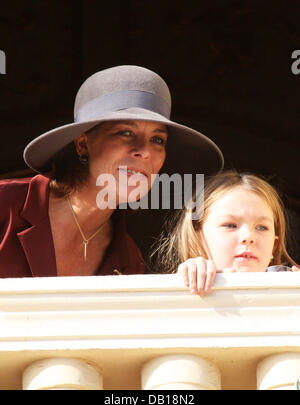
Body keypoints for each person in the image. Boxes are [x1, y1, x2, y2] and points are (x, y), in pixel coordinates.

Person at [0, 65, 223, 278]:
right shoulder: (5, 203)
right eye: (125, 132)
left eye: (157, 139)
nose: (144, 151)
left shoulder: (128, 259)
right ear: (83, 145)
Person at [154, 170, 300, 295]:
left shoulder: (289, 292)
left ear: (273, 246)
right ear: (195, 240)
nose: (248, 237)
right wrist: (189, 277)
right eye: (230, 225)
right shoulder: (182, 286)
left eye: (262, 227)